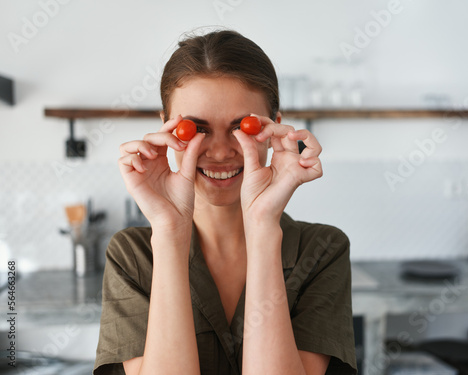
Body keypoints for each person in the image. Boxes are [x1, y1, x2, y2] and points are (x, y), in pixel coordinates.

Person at [93, 29, 357, 375]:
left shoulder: (322, 249)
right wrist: (170, 232)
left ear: (275, 128)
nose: (218, 152)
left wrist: (262, 224)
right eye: (194, 129)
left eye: (243, 129)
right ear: (166, 129)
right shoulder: (133, 255)